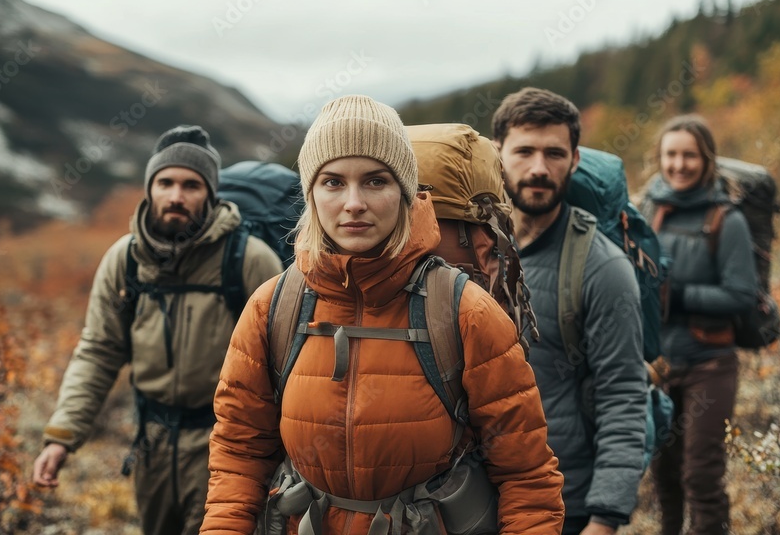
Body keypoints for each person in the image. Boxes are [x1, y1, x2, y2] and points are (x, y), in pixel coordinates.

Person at [200, 95, 565, 534]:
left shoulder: (465, 311)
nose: (353, 202)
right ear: (310, 194)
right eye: (333, 182)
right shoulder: (273, 308)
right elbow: (239, 458)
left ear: (406, 192)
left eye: (376, 181)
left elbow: (526, 476)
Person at [32, 125, 284, 535]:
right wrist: (62, 436)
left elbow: (281, 364)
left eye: (191, 185)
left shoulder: (249, 260)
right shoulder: (125, 260)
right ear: (150, 189)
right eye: (165, 182)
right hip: (151, 444)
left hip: (224, 446)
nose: (176, 196)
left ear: (211, 193)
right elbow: (99, 350)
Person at [492, 87, 647, 535]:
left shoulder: (603, 267)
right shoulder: (468, 248)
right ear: (498, 153)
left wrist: (605, 518)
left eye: (554, 153)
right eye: (524, 151)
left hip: (562, 502)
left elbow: (624, 394)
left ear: (575, 160)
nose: (539, 168)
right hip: (472, 496)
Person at [642, 114, 757, 535]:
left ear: (706, 159)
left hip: (710, 365)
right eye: (670, 155)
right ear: (660, 158)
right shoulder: (649, 209)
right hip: (660, 366)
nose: (678, 165)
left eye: (689, 155)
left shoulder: (727, 220)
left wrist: (677, 295)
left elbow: (742, 295)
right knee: (664, 477)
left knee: (701, 476)